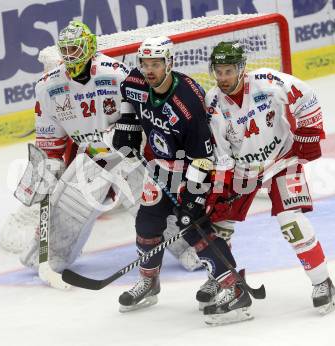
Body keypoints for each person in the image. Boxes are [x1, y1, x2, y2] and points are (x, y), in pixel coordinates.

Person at [14, 21, 200, 279]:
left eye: (75, 50)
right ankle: (51, 255)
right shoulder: (48, 86)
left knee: (151, 201)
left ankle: (192, 246)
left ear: (89, 48)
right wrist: (48, 167)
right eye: (65, 51)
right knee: (67, 207)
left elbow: (147, 112)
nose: (70, 57)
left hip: (126, 151)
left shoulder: (114, 73)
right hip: (90, 155)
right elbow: (49, 142)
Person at [112, 36, 254, 325]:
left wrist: (193, 193)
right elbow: (127, 95)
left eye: (156, 64)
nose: (149, 70)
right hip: (158, 165)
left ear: (170, 63)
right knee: (147, 223)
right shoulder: (136, 81)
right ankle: (149, 283)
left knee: (193, 226)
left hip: (193, 165)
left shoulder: (188, 100)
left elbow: (204, 155)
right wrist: (127, 126)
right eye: (145, 64)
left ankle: (234, 287)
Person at [201, 41, 335, 315]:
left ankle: (322, 282)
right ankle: (222, 279)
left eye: (228, 71)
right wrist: (220, 188)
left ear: (241, 69)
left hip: (281, 160)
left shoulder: (266, 81)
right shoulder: (213, 102)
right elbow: (221, 152)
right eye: (219, 71)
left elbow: (307, 96)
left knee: (291, 222)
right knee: (220, 226)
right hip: (243, 169)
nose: (223, 78)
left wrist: (307, 134)